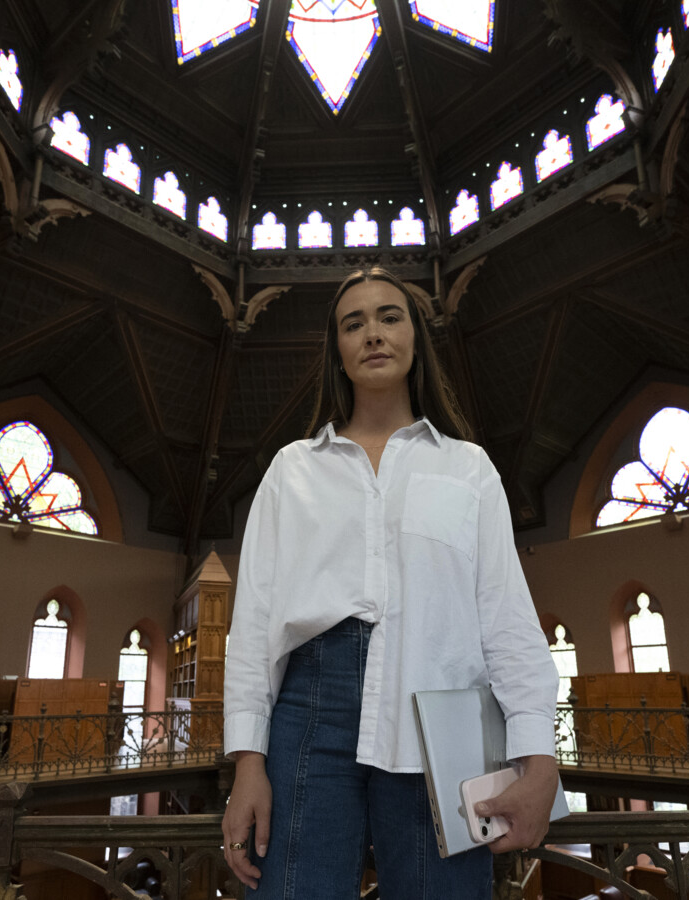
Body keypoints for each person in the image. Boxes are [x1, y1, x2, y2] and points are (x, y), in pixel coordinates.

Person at [221, 267, 560, 899]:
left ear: (415, 340)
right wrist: (247, 763)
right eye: (353, 323)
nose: (373, 333)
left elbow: (507, 620)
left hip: (444, 715)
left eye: (389, 316)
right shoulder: (292, 470)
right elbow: (254, 625)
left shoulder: (469, 468)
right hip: (310, 712)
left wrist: (540, 760)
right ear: (338, 352)